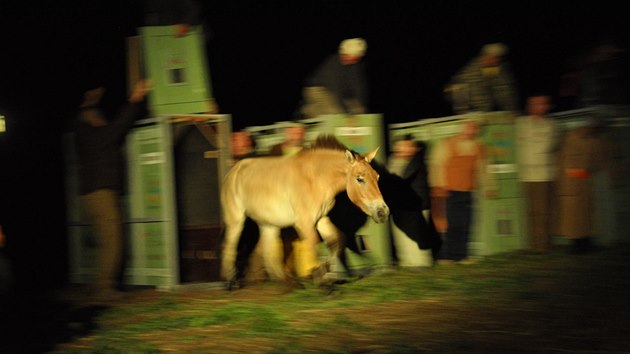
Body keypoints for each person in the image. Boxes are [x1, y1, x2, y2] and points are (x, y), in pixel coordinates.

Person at [74, 78, 151, 303]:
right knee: (113, 241)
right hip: (100, 193)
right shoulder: (92, 134)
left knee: (105, 241)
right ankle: (104, 288)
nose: (102, 119)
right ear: (89, 118)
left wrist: (92, 98)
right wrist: (134, 100)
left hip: (92, 194)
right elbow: (116, 129)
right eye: (99, 117)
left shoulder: (85, 133)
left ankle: (96, 285)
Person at [430, 120, 497, 264]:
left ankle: (461, 255)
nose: (471, 131)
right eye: (469, 127)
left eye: (474, 128)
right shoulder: (446, 144)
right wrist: (439, 186)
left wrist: (489, 186)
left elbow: (484, 168)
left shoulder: (479, 147)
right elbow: (436, 165)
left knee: (466, 223)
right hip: (449, 191)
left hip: (468, 190)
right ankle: (445, 256)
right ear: (462, 128)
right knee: (449, 224)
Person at [555, 117, 611, 254]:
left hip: (583, 183)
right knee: (574, 217)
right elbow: (568, 167)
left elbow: (598, 161)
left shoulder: (592, 139)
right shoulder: (571, 138)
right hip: (571, 184)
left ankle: (585, 243)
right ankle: (577, 245)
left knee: (585, 215)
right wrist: (587, 173)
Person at [515, 95, 559, 251]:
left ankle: (543, 244)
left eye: (541, 104)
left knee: (543, 211)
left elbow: (548, 146)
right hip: (526, 174)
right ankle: (534, 244)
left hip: (543, 173)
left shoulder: (551, 125)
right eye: (534, 104)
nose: (537, 107)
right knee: (531, 211)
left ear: (547, 106)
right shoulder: (520, 123)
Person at [386, 135, 438, 267]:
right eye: (403, 146)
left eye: (410, 146)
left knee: (417, 237)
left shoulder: (416, 161)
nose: (407, 149)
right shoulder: (393, 161)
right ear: (395, 147)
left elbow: (401, 182)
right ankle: (407, 264)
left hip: (416, 208)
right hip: (399, 207)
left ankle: (422, 264)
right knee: (401, 238)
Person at [300, 38, 369, 118]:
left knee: (357, 110)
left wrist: (360, 105)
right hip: (317, 89)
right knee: (336, 114)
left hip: (339, 92)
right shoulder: (333, 62)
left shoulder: (355, 66)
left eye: (355, 58)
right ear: (342, 53)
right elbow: (334, 87)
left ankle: (316, 111)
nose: (352, 60)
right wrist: (343, 110)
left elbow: (358, 85)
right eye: (349, 56)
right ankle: (309, 110)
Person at [444, 43, 519, 115]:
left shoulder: (496, 68)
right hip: (465, 104)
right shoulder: (472, 71)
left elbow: (504, 90)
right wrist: (479, 114)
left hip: (480, 110)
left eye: (499, 57)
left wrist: (512, 111)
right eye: (493, 57)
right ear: (485, 56)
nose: (496, 60)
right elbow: (476, 97)